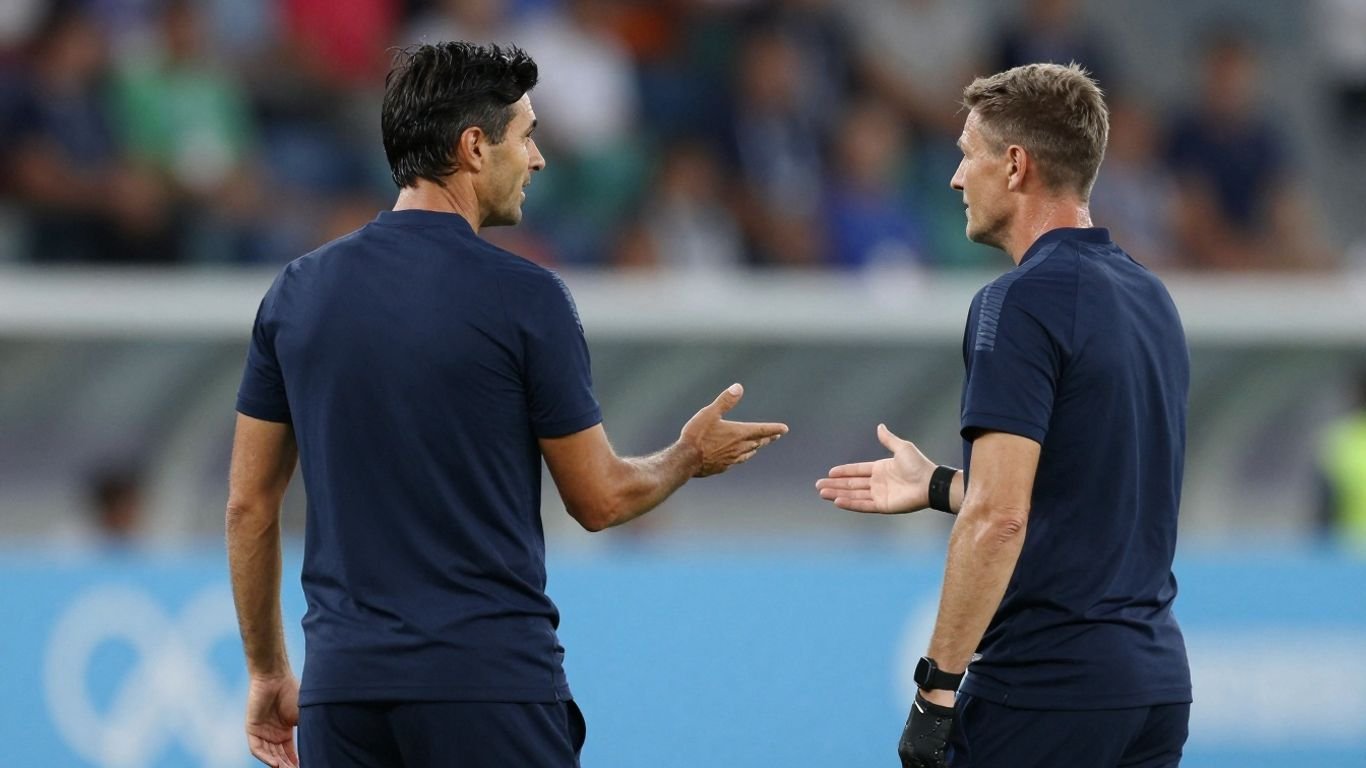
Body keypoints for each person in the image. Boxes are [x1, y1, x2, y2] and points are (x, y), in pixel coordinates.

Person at [226, 42, 787, 768]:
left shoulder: (295, 294)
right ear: (472, 148)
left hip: (344, 693)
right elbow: (600, 498)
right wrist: (688, 457)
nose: (539, 157)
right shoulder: (527, 297)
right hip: (486, 687)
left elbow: (248, 505)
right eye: (525, 134)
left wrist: (269, 672)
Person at [816, 63, 1191, 768]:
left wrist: (936, 690)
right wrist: (939, 486)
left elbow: (1001, 517)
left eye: (966, 154)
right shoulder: (1150, 298)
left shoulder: (1017, 302)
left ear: (1014, 165)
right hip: (1155, 687)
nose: (956, 178)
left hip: (1046, 686)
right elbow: (1087, 494)